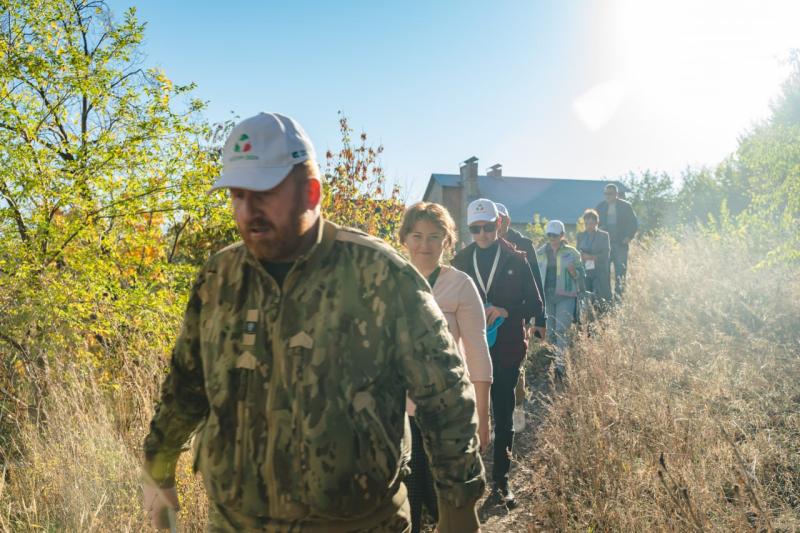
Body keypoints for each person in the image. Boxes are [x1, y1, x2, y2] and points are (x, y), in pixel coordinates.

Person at [141, 113, 485, 532]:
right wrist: (158, 466)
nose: (248, 211)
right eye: (237, 195)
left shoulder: (378, 273)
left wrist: (459, 506)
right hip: (235, 523)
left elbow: (444, 395)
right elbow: (186, 383)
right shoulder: (220, 278)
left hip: (359, 524)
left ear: (311, 192)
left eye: (265, 194)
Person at [399, 201, 493, 533]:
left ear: (447, 241)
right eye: (417, 236)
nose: (424, 245)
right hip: (399, 413)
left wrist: (482, 415)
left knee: (449, 507)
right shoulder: (392, 280)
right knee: (405, 503)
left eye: (434, 237)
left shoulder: (460, 285)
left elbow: (478, 353)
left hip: (446, 412)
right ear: (405, 239)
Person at [451, 199, 544, 510]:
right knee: (470, 417)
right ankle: (468, 481)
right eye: (475, 229)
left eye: (488, 227)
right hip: (470, 350)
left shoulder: (516, 259)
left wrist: (506, 309)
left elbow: (535, 305)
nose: (483, 234)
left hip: (506, 349)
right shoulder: (460, 260)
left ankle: (501, 481)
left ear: (498, 225)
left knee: (503, 416)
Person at [535, 220, 582, 378]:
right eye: (549, 235)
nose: (552, 238)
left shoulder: (573, 253)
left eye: (555, 235)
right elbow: (534, 275)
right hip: (546, 297)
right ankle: (556, 360)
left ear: (562, 235)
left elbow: (582, 277)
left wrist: (574, 271)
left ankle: (561, 368)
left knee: (562, 330)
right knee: (551, 333)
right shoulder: (540, 252)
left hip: (565, 296)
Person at [595, 183, 638, 297]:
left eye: (610, 193)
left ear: (616, 194)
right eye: (606, 193)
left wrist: (628, 237)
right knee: (604, 272)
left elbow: (634, 223)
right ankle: (606, 298)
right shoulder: (600, 207)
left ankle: (619, 298)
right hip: (605, 246)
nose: (607, 196)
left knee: (620, 272)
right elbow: (594, 224)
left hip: (620, 245)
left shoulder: (626, 206)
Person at [576, 208, 611, 308]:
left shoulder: (604, 236)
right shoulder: (580, 235)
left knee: (600, 298)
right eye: (586, 223)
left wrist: (590, 257)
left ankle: (601, 317)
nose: (588, 226)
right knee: (586, 297)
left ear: (597, 222)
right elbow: (577, 252)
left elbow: (605, 255)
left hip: (599, 271)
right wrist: (581, 256)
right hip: (585, 271)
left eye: (591, 223)